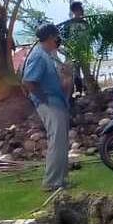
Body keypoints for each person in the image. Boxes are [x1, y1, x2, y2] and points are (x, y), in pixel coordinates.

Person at [22, 24, 70, 191]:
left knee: (62, 140)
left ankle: (61, 179)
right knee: (56, 140)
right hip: (49, 102)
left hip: (58, 101)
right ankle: (52, 182)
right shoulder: (39, 56)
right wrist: (43, 99)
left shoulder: (49, 55)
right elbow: (28, 81)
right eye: (56, 36)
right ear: (51, 37)